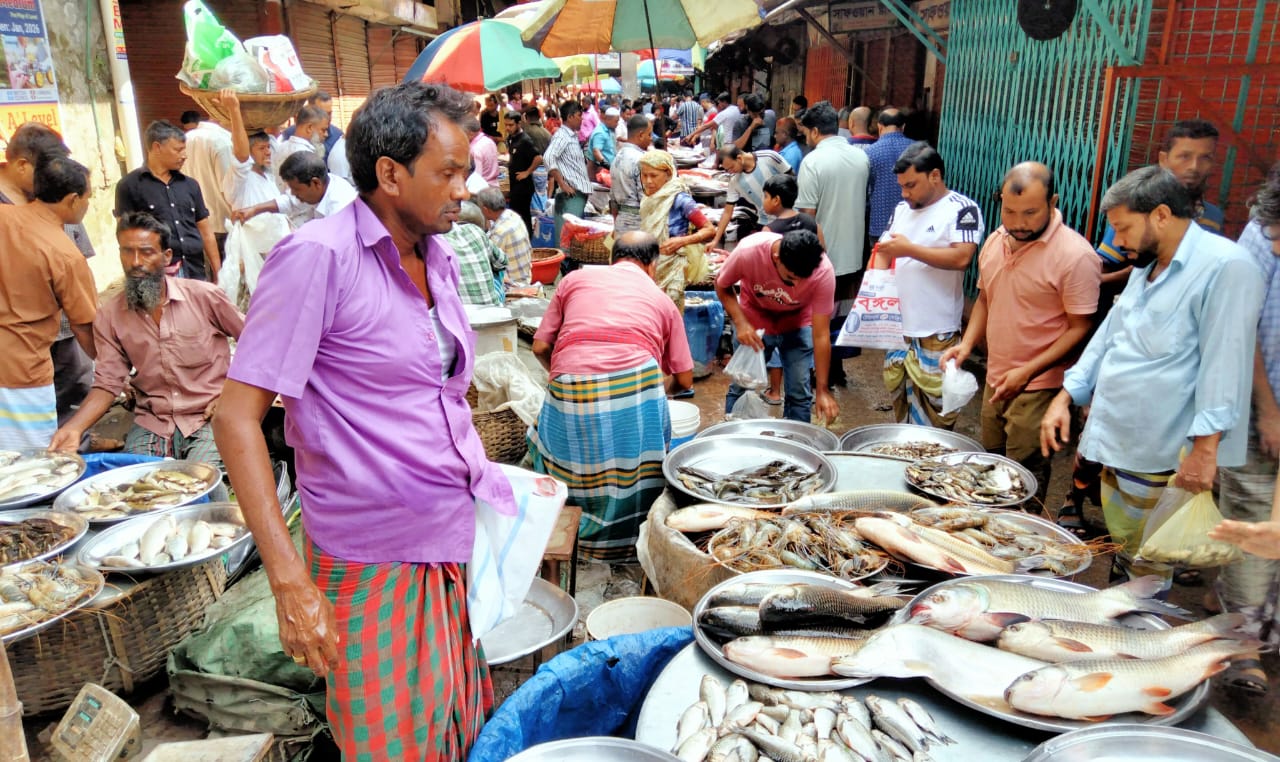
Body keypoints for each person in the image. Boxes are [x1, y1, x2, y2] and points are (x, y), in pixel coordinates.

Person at [212, 81, 514, 760]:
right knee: (389, 742)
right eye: (448, 172)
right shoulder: (318, 258)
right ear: (390, 174)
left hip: (449, 534)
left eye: (465, 171)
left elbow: (436, 394)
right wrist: (289, 583)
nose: (464, 189)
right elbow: (235, 420)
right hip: (372, 556)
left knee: (453, 726)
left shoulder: (437, 254)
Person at [1040, 165, 1263, 590]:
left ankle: (1141, 622)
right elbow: (1111, 335)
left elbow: (1225, 362)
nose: (1118, 241)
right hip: (1119, 438)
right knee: (1129, 550)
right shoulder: (1148, 264)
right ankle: (1124, 610)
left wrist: (1205, 449)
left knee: (1149, 563)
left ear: (1161, 215)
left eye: (1123, 228)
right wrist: (1066, 395)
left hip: (1162, 450)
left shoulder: (1226, 267)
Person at [940, 162, 1100, 508]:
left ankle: (1025, 532)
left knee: (1024, 476)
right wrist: (966, 344)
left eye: (1030, 213)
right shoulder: (996, 241)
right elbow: (985, 298)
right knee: (990, 468)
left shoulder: (1076, 256)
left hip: (1040, 385)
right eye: (1009, 211)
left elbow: (1081, 328)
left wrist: (1027, 372)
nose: (1017, 223)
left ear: (1053, 203)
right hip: (998, 377)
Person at [530, 231, 693, 561]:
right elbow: (684, 379)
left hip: (570, 378)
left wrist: (564, 376)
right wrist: (649, 393)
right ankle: (626, 547)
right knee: (637, 469)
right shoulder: (662, 300)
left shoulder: (574, 279)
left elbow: (540, 346)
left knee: (567, 460)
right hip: (639, 380)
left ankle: (568, 537)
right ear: (652, 265)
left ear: (611, 258)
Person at [50, 211, 243, 467]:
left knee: (200, 477)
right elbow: (108, 382)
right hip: (154, 420)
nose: (136, 262)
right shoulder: (110, 315)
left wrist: (231, 397)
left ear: (166, 256)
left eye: (146, 252)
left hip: (209, 415)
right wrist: (73, 428)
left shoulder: (205, 297)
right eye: (127, 252)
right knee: (138, 482)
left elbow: (256, 346)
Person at [1204, 164, 1280, 694]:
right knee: (1252, 520)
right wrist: (1268, 409)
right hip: (1258, 406)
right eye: (1270, 237)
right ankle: (1244, 642)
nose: (1273, 248)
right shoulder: (1260, 234)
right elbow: (1244, 324)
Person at [874, 142, 984, 429]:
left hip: (937, 331)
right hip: (899, 331)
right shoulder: (901, 209)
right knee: (902, 412)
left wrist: (909, 250)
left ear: (935, 175)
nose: (904, 193)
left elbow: (962, 257)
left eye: (911, 185)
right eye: (901, 186)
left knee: (937, 419)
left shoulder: (962, 209)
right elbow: (883, 253)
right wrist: (873, 299)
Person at [0, 124, 96, 430]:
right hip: (25, 371)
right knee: (34, 455)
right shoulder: (65, 255)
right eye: (88, 198)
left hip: (11, 363)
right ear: (72, 200)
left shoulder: (6, 217)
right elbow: (84, 325)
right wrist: (110, 369)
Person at [717, 229, 839, 425]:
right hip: (754, 323)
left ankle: (797, 440)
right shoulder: (748, 252)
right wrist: (740, 322)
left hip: (797, 323)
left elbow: (821, 334)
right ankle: (733, 435)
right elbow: (721, 284)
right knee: (741, 385)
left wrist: (823, 390)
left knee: (799, 393)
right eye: (790, 278)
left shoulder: (823, 271)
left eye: (803, 279)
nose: (796, 285)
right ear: (776, 258)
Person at [796, 100, 871, 387]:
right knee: (841, 314)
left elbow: (807, 216)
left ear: (815, 131)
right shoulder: (860, 158)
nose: (806, 137)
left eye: (806, 132)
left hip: (822, 253)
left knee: (818, 318)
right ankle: (836, 369)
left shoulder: (813, 161)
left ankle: (820, 375)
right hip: (853, 252)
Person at [116, 120, 222, 282]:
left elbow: (205, 231)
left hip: (195, 270)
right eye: (178, 150)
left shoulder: (190, 185)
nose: (184, 155)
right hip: (157, 276)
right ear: (157, 147)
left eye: (184, 150)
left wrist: (218, 272)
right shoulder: (129, 186)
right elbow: (125, 236)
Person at [762, 174, 822, 406]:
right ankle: (800, 394)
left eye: (765, 197)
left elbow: (765, 269)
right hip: (805, 303)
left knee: (777, 349)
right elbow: (822, 255)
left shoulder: (770, 230)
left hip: (777, 302)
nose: (764, 201)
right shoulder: (811, 223)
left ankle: (775, 391)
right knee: (801, 355)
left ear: (776, 200)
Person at [638, 149, 715, 311]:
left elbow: (709, 230)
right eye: (644, 175)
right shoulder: (648, 198)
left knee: (671, 307)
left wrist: (682, 241)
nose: (648, 181)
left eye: (653, 175)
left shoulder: (680, 199)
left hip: (674, 264)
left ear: (668, 174)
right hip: (651, 261)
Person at [232, 152, 358, 228]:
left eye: (296, 189)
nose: (293, 193)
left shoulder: (339, 208)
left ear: (316, 183)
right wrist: (254, 209)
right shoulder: (320, 186)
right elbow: (289, 201)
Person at [708, 145, 792, 251]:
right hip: (765, 221)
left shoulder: (769, 157)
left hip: (789, 217)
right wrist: (715, 240)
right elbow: (727, 212)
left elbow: (792, 179)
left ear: (739, 158)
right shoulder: (734, 181)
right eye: (727, 170)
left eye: (731, 167)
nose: (730, 171)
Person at [217, 90, 280, 212]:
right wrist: (233, 108)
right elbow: (242, 155)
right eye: (261, 148)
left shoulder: (267, 175)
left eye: (268, 147)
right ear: (249, 152)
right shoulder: (240, 177)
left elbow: (273, 132)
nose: (268, 152)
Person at [183, 111, 235, 257]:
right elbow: (229, 189)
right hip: (223, 223)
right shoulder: (223, 141)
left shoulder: (186, 138)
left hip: (194, 222)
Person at [863, 108, 914, 252]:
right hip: (911, 225)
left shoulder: (869, 153)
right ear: (903, 127)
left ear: (879, 127)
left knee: (880, 262)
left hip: (879, 224)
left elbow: (865, 191)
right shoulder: (918, 149)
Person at [544, 101, 591, 252]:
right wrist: (562, 183)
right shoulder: (562, 136)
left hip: (576, 195)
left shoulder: (571, 136)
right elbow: (548, 157)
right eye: (579, 116)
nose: (581, 119)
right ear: (570, 117)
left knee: (571, 241)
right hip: (570, 196)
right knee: (566, 243)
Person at [445, 201, 506, 306]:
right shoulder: (476, 231)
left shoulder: (435, 240)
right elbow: (502, 261)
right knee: (497, 269)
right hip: (493, 310)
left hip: (459, 311)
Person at [475, 186, 533, 287]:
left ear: (485, 209)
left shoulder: (499, 232)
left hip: (513, 283)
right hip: (525, 276)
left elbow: (489, 262)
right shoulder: (513, 216)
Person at [610, 114, 651, 236]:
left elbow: (613, 199)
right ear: (641, 135)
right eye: (649, 135)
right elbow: (645, 199)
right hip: (638, 224)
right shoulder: (641, 159)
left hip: (621, 222)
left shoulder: (617, 157)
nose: (651, 139)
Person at [504, 110, 540, 235]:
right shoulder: (511, 138)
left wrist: (527, 172)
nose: (508, 128)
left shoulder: (525, 140)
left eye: (511, 125)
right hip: (514, 184)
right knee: (515, 215)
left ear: (519, 124)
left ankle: (527, 238)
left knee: (523, 216)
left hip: (523, 186)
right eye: (506, 125)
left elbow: (538, 158)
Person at [273, 106, 324, 191]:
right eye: (323, 130)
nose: (326, 134)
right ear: (309, 128)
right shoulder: (306, 155)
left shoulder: (281, 148)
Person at [282, 91, 343, 157]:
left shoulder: (338, 136)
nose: (327, 117)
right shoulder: (289, 134)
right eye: (321, 113)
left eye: (329, 113)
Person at [465, 117, 499, 186]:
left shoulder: (475, 149)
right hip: (494, 185)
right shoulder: (489, 141)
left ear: (470, 133)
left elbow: (476, 177)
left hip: (482, 188)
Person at [588, 107, 620, 179]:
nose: (617, 124)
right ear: (608, 120)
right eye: (616, 121)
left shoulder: (609, 130)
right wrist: (607, 166)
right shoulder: (600, 132)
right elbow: (596, 152)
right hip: (600, 169)